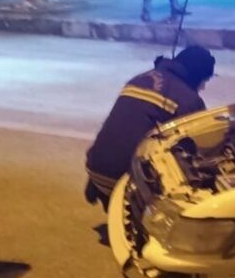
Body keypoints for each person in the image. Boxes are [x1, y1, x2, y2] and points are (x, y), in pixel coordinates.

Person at [84, 46, 215, 209]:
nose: (202, 87)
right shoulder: (189, 100)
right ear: (196, 75)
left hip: (95, 168)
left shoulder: (140, 79)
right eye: (204, 81)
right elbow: (195, 148)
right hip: (123, 182)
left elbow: (118, 126)